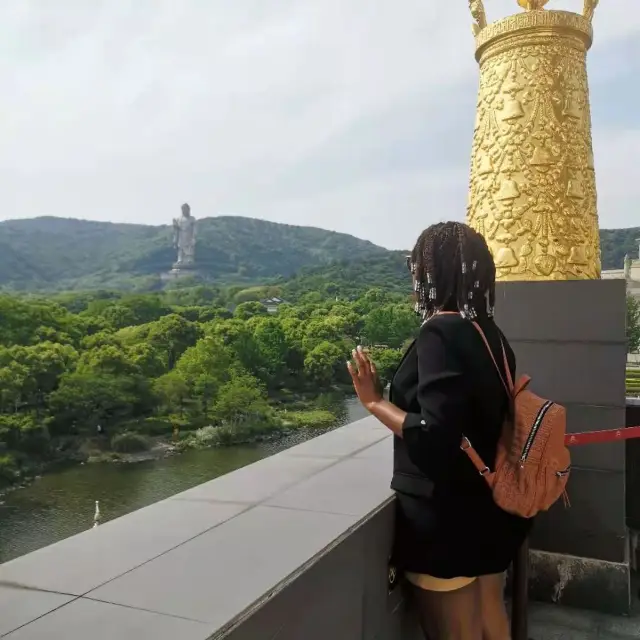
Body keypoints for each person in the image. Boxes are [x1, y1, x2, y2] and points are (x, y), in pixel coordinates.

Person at [347, 221, 532, 640]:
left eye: (418, 270)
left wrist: (375, 402)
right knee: (491, 623)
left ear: (432, 275)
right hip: (489, 512)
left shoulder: (440, 332)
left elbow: (436, 434)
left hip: (447, 522)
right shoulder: (491, 334)